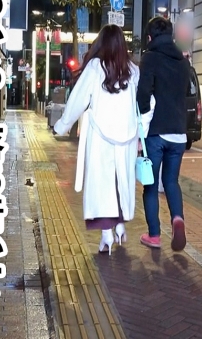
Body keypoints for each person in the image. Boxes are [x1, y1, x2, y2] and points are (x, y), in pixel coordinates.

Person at [53, 25, 139, 255]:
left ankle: (106, 234)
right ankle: (120, 226)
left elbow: (78, 100)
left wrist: (62, 125)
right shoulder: (133, 70)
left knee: (102, 184)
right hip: (127, 138)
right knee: (121, 182)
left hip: (101, 137)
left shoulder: (95, 67)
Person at [136, 16, 190, 251]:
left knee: (150, 184)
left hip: (156, 133)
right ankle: (177, 218)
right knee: (171, 181)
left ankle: (154, 235)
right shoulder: (183, 62)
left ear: (150, 37)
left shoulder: (150, 58)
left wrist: (140, 121)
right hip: (179, 133)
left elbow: (143, 95)